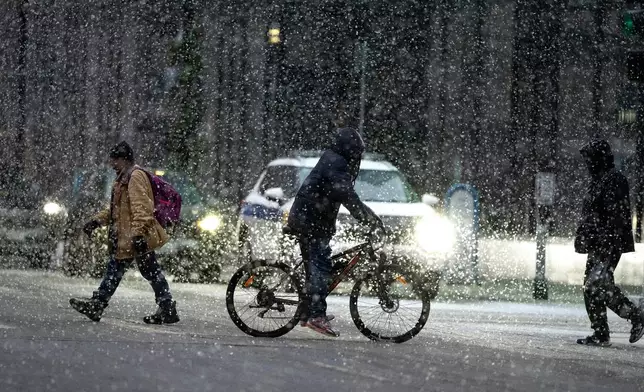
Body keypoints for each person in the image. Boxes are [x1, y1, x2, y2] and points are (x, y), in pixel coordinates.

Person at [286, 127, 384, 337]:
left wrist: (368, 216)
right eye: (357, 151)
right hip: (310, 221)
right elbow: (347, 196)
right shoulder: (336, 164)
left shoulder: (334, 159)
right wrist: (369, 219)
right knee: (320, 265)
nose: (358, 156)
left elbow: (345, 195)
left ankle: (307, 310)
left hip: (312, 219)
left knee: (319, 266)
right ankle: (316, 315)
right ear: (350, 150)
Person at [69, 141, 179, 324]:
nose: (112, 164)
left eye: (115, 160)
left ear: (125, 159)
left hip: (133, 237)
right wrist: (96, 221)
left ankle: (99, 303)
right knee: (143, 270)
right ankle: (166, 307)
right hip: (127, 237)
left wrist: (138, 235)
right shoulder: (122, 178)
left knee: (128, 270)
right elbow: (116, 209)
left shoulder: (135, 177)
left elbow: (142, 208)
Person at [574, 139, 643, 346]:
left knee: (596, 283)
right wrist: (585, 235)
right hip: (598, 242)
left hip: (608, 243)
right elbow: (593, 213)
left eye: (590, 159)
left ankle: (635, 315)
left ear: (599, 159)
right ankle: (601, 333)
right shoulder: (599, 179)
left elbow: (612, 214)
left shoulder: (613, 179)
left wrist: (605, 238)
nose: (587, 164)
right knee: (591, 286)